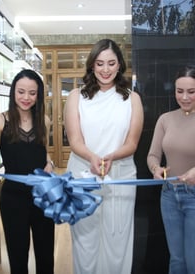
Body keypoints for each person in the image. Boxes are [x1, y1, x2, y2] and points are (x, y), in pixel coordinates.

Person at [64, 38, 144, 274]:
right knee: (85, 242)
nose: (105, 69)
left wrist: (110, 157)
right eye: (100, 64)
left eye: (111, 63)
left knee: (117, 241)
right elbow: (75, 140)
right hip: (82, 174)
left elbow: (132, 143)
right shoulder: (76, 97)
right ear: (92, 66)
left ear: (120, 65)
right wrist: (92, 158)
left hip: (121, 175)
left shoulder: (132, 98)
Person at [147, 65, 195, 274]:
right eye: (179, 91)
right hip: (169, 196)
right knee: (177, 262)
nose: (185, 97)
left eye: (191, 92)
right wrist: (156, 169)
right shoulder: (165, 119)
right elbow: (153, 155)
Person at [0, 69, 55, 274]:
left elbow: (45, 153)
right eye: (21, 91)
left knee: (45, 254)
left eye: (32, 93)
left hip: (43, 195)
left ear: (38, 95)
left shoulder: (45, 120)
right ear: (13, 91)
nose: (26, 98)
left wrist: (49, 164)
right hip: (13, 197)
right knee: (17, 255)